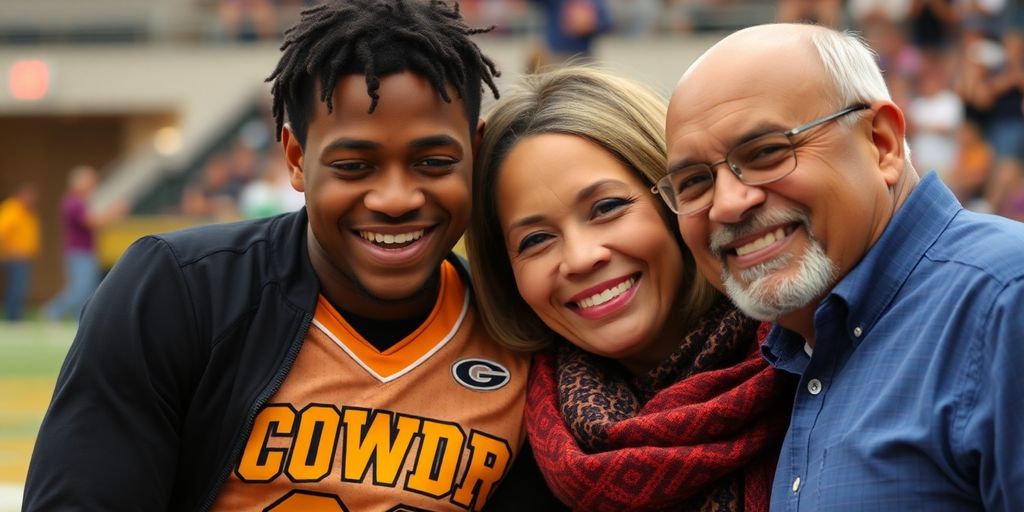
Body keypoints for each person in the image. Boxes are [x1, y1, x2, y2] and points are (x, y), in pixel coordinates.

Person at [24, 1, 560, 510]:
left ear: (475, 152)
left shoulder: (519, 335)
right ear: (297, 158)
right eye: (354, 166)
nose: (395, 199)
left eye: (434, 162)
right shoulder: (178, 292)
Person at [663, 23, 1024, 510]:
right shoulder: (785, 359)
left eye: (767, 152)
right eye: (693, 182)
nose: (727, 204)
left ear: (882, 143)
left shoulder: (1005, 299)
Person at [465, 65, 793, 511]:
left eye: (607, 207)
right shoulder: (501, 440)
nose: (581, 258)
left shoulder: (808, 353)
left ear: (677, 198)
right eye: (535, 240)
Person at [42, 165, 127, 322]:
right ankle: (53, 311)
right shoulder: (74, 203)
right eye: (90, 181)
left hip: (85, 251)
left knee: (88, 289)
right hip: (79, 251)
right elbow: (93, 223)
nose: (94, 185)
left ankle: (80, 319)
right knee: (81, 288)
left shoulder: (81, 202)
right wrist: (113, 212)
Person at [0, 182, 40, 321]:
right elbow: (2, 232)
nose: (33, 199)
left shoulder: (28, 211)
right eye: (30, 196)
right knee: (15, 287)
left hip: (24, 257)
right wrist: (11, 251)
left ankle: (15, 316)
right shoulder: (11, 209)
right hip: (14, 257)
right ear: (21, 195)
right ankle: (12, 317)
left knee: (20, 287)